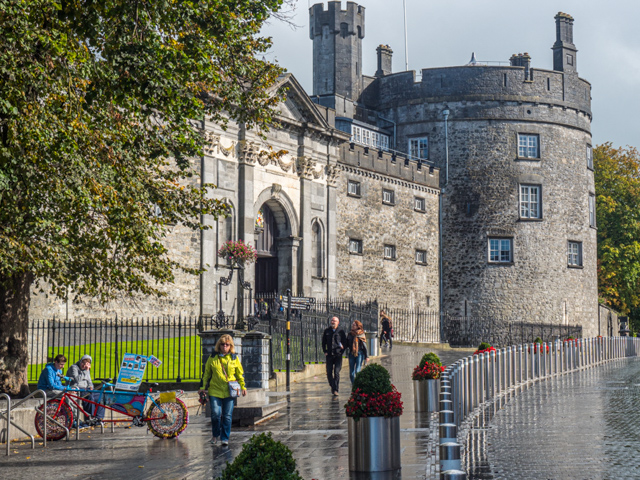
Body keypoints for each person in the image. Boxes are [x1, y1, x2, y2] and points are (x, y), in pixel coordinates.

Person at [200, 334, 246, 446]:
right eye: (222, 344)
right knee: (216, 413)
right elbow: (206, 374)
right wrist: (202, 388)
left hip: (229, 391)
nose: (225, 346)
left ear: (230, 346)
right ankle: (215, 435)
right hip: (215, 390)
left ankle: (225, 438)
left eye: (227, 344)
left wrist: (243, 386)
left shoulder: (234, 358)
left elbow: (240, 374)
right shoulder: (212, 358)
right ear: (219, 345)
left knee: (227, 415)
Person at [66, 354, 105, 425]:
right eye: (83, 363)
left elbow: (89, 381)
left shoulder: (86, 370)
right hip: (77, 388)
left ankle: (99, 418)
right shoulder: (74, 367)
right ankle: (90, 418)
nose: (84, 365)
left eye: (86, 363)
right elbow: (77, 379)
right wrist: (86, 371)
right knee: (89, 397)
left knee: (100, 396)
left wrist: (91, 386)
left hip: (86, 388)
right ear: (80, 361)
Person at [322, 316, 347, 396]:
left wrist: (341, 351)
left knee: (336, 372)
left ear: (338, 322)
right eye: (332, 320)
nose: (333, 322)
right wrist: (325, 351)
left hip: (337, 355)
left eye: (334, 321)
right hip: (329, 355)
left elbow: (345, 343)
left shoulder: (341, 331)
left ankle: (336, 389)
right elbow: (323, 342)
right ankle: (333, 386)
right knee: (329, 372)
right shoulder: (327, 331)